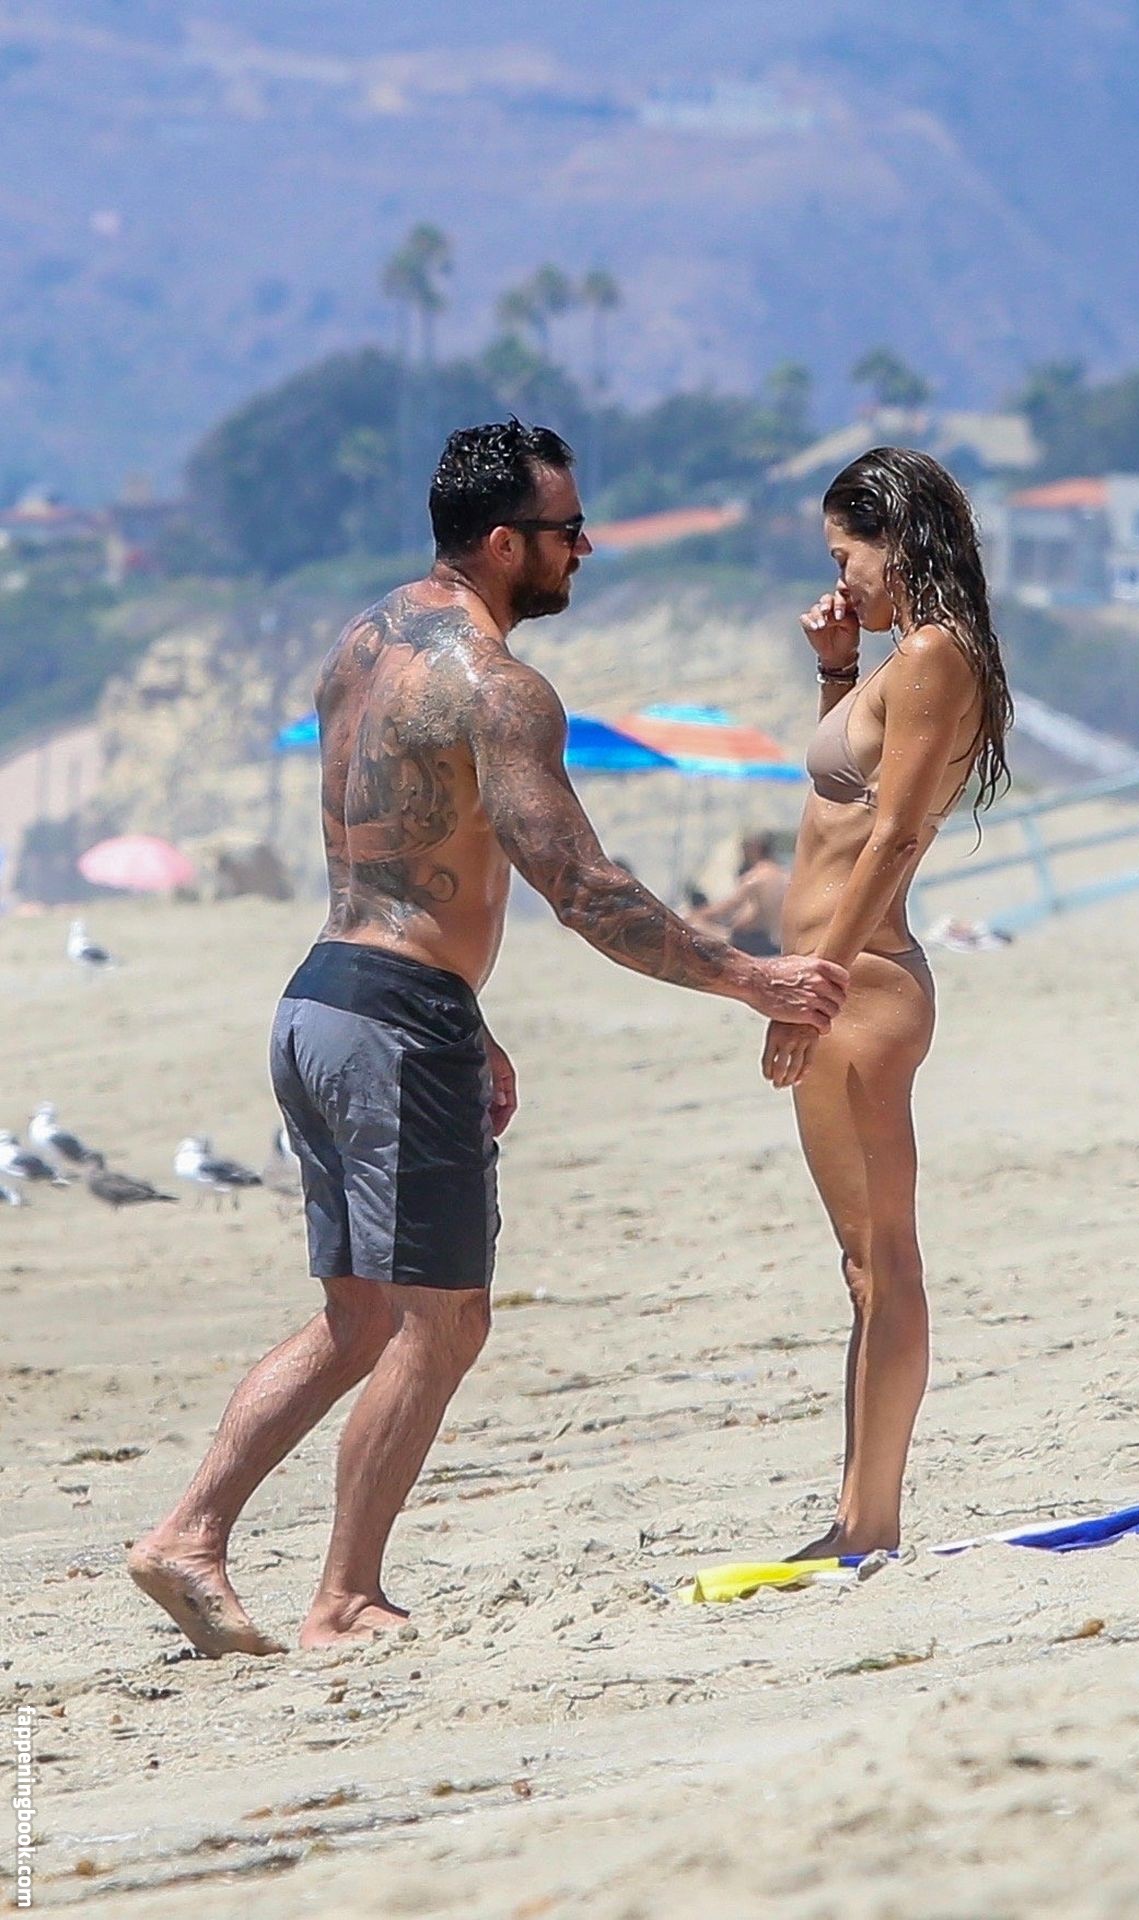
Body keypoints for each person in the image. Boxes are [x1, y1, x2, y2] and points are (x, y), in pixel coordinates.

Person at [128, 420, 847, 1655]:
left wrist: (467, 1014)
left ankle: (189, 1537)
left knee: (360, 1318)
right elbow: (582, 887)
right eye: (568, 531)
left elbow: (401, 861)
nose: (585, 550)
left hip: (323, 999)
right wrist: (748, 977)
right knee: (443, 1320)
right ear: (506, 543)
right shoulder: (497, 685)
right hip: (394, 1020)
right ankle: (343, 1598)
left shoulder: (363, 644)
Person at [761, 446, 1012, 1559]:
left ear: (896, 540)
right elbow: (848, 804)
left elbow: (897, 836)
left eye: (844, 554)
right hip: (847, 979)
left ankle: (867, 1522)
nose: (839, 576)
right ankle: (859, 1516)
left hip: (857, 986)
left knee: (880, 1262)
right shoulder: (899, 660)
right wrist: (834, 669)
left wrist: (810, 984)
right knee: (865, 1262)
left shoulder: (934, 656)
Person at [687, 831, 788, 957]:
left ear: (754, 849)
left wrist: (695, 916)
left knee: (695, 926)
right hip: (780, 944)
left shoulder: (756, 878)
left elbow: (725, 908)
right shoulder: (785, 875)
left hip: (763, 945)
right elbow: (759, 916)